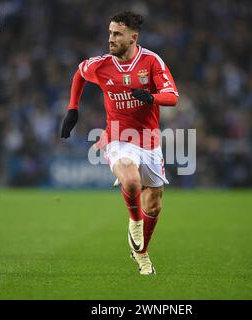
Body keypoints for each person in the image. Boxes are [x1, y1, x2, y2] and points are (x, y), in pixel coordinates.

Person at [61, 11, 179, 275]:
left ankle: (142, 254)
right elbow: (79, 74)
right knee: (131, 180)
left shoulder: (151, 62)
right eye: (110, 33)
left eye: (117, 34)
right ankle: (134, 222)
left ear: (133, 37)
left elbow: (172, 97)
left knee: (154, 202)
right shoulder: (101, 64)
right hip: (117, 137)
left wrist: (151, 97)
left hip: (149, 141)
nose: (111, 39)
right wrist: (72, 108)